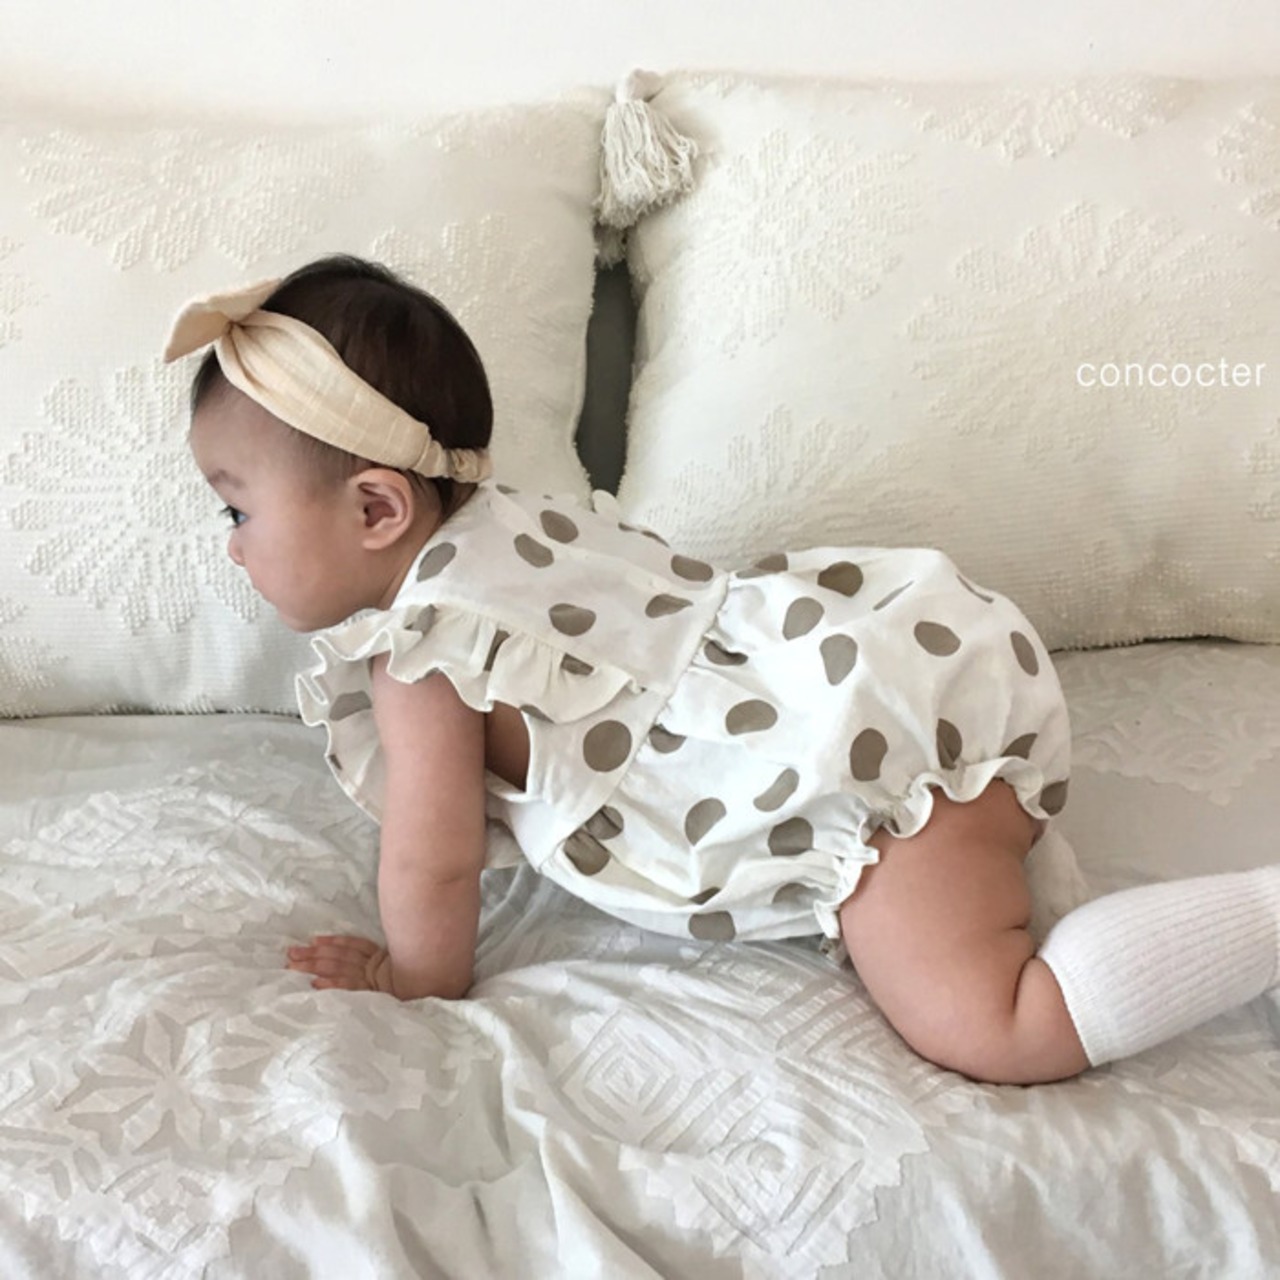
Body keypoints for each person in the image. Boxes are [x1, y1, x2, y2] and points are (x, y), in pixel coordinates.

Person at [166, 254, 1280, 1086]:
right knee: (975, 911)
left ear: (376, 508)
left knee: (995, 1027)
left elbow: (434, 861)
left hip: (851, 777)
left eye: (237, 510)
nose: (232, 547)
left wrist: (410, 980)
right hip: (864, 668)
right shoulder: (505, 525)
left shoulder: (424, 650)